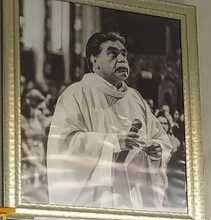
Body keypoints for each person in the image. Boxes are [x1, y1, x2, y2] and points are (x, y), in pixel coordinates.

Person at [46, 31, 174, 210]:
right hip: (95, 200)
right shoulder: (76, 94)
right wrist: (114, 142)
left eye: (124, 54)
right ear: (94, 60)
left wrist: (156, 151)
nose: (121, 59)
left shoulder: (135, 98)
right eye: (113, 54)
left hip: (133, 199)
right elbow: (64, 146)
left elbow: (162, 139)